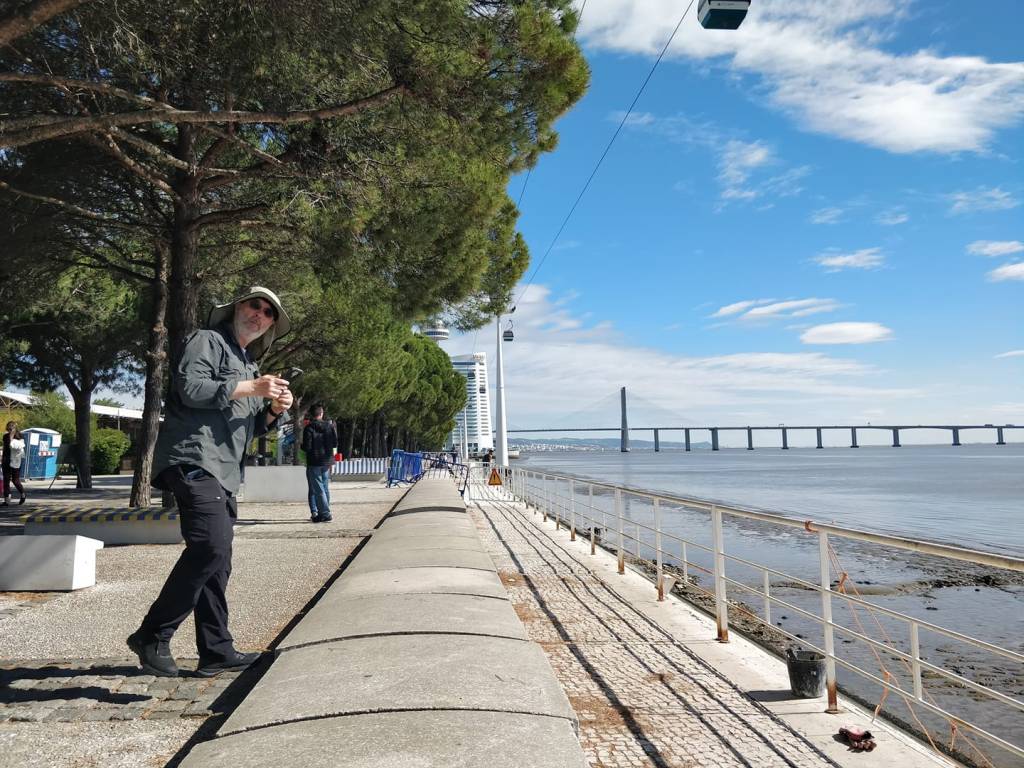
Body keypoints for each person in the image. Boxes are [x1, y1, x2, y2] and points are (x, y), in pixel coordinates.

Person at [127, 287, 292, 678]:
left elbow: (247, 429)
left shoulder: (250, 366)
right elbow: (192, 388)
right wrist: (255, 389)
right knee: (210, 547)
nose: (260, 314)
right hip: (193, 458)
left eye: (269, 313)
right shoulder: (207, 341)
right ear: (237, 308)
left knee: (218, 564)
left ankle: (216, 650)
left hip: (225, 471)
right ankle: (152, 634)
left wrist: (272, 411)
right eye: (255, 305)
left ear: (270, 326)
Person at [301, 404, 337, 523]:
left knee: (317, 488)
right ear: (321, 413)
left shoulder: (309, 428)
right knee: (325, 486)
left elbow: (307, 447)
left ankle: (325, 513)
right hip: (326, 461)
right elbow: (335, 443)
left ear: (311, 415)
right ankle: (324, 511)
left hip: (314, 461)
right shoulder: (330, 426)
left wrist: (301, 446)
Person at [2, 422, 26, 506]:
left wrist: (13, 435)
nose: (9, 430)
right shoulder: (5, 436)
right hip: (6, 460)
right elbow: (8, 446)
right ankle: (7, 500)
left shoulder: (20, 436)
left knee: (15, 480)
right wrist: (10, 436)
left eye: (11, 428)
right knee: (6, 480)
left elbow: (19, 447)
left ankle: (23, 494)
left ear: (15, 428)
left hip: (15, 460)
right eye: (8, 428)